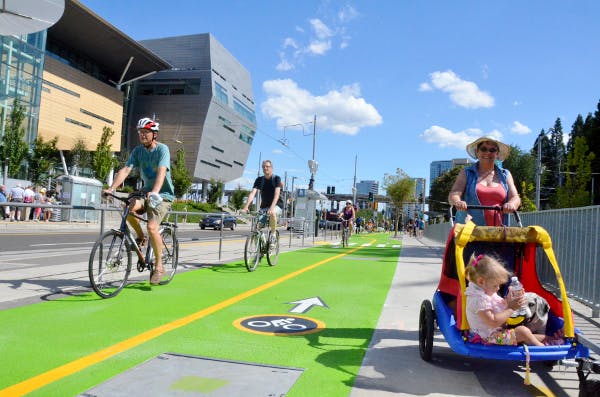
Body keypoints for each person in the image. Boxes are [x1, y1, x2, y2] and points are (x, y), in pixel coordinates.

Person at [103, 117, 175, 285]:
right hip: (146, 192)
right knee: (127, 207)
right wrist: (112, 188)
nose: (142, 135)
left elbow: (162, 171)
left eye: (146, 132)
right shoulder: (137, 151)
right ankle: (141, 237)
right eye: (140, 133)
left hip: (163, 195)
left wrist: (156, 192)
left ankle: (159, 266)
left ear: (154, 134)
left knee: (152, 226)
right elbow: (126, 169)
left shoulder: (162, 149)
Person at [464, 254, 545, 346]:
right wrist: (510, 309)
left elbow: (498, 307)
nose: (498, 288)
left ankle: (550, 340)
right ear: (481, 281)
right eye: (495, 285)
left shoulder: (485, 292)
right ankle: (544, 350)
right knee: (523, 331)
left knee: (528, 334)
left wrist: (509, 300)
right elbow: (493, 322)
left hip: (496, 333)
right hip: (487, 338)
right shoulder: (478, 300)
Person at [448, 136, 521, 226]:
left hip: (498, 233)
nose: (487, 152)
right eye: (483, 149)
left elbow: (515, 197)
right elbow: (454, 194)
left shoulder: (505, 174)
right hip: (468, 231)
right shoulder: (466, 172)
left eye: (492, 150)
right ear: (477, 152)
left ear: (497, 153)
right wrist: (458, 202)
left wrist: (511, 204)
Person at [242, 160, 283, 241]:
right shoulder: (259, 180)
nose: (265, 168)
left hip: (277, 205)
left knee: (273, 213)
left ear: (271, 168)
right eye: (263, 167)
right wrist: (246, 207)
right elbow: (252, 193)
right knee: (256, 228)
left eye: (267, 166)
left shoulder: (276, 178)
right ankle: (260, 250)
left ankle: (273, 234)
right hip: (264, 207)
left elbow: (277, 194)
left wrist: (271, 208)